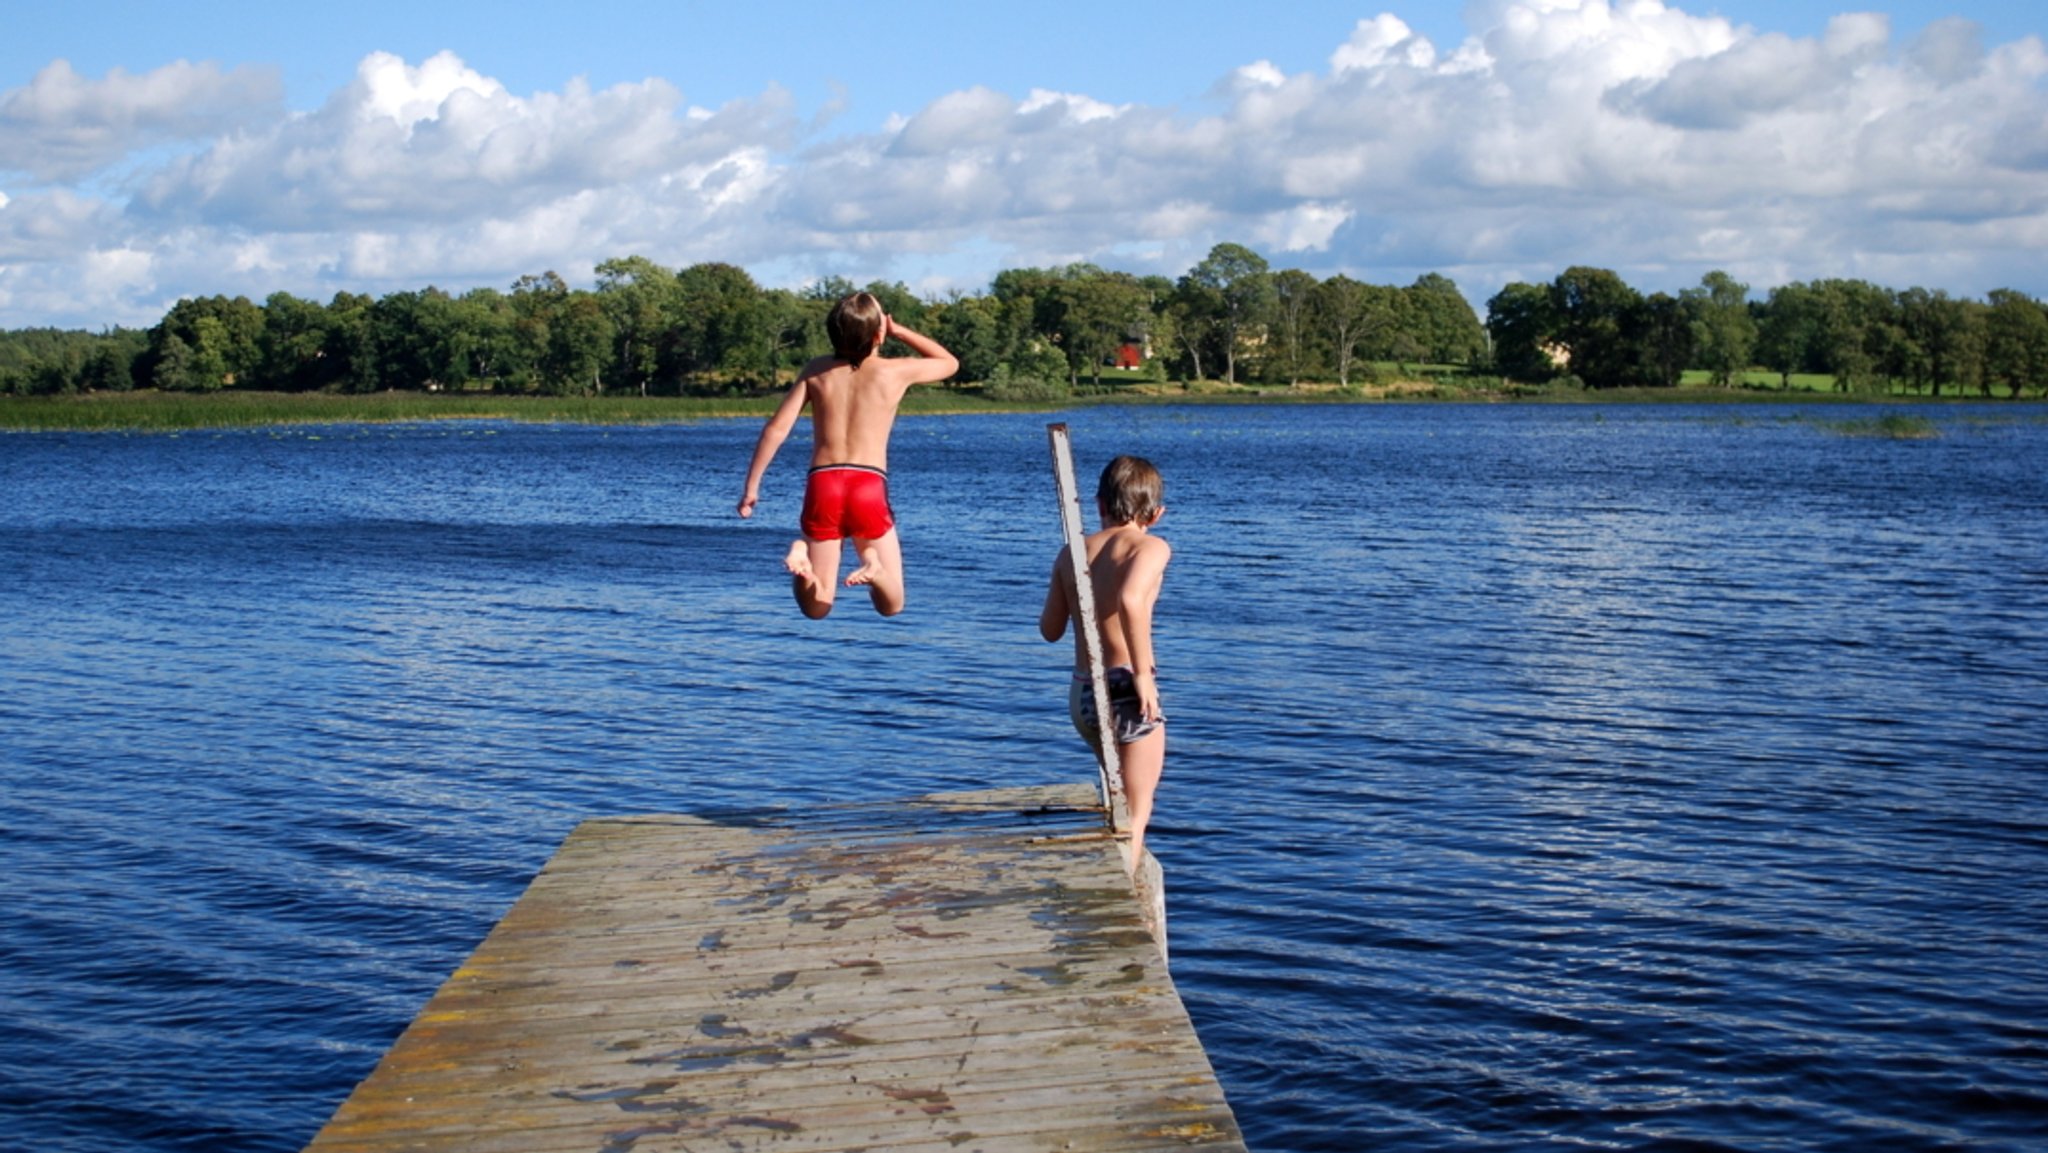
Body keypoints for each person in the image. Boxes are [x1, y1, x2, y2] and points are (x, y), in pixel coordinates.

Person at [738, 292, 958, 618]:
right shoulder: (894, 371)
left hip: (823, 483)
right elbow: (949, 363)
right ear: (878, 333)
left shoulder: (816, 370)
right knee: (892, 605)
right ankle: (876, 568)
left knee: (817, 607)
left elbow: (776, 430)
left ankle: (802, 560)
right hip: (867, 482)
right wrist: (901, 331)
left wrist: (751, 489)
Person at [1039, 455, 1171, 872]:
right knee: (1136, 807)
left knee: (1117, 800)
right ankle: (1125, 893)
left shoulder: (1071, 553)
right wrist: (1144, 677)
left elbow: (1050, 629)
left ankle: (1112, 873)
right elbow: (1130, 600)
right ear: (1156, 513)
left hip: (1082, 691)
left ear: (1099, 504)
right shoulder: (1151, 546)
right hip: (1124, 689)